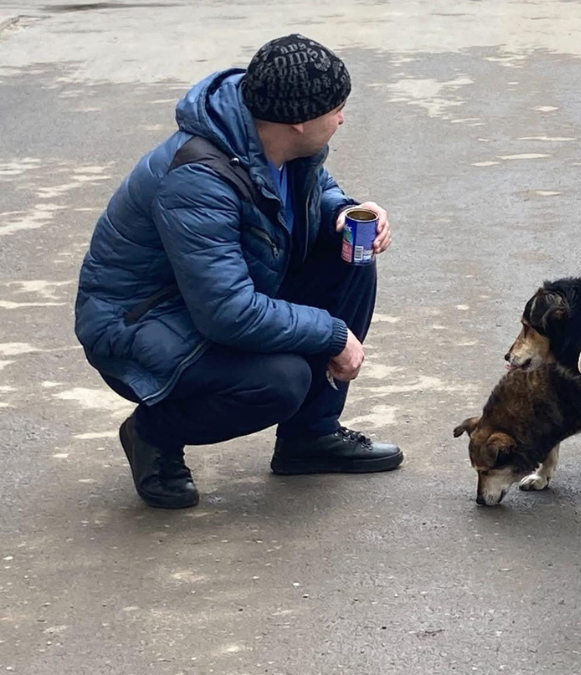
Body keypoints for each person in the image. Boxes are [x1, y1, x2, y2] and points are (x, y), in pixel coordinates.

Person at [73, 34, 402, 510]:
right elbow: (227, 312)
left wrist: (345, 212)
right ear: (299, 121)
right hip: (141, 326)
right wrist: (333, 334)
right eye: (338, 109)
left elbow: (311, 191)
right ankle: (153, 433)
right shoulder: (197, 180)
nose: (342, 118)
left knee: (349, 260)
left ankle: (309, 438)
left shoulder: (276, 139)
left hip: (207, 301)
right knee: (281, 381)